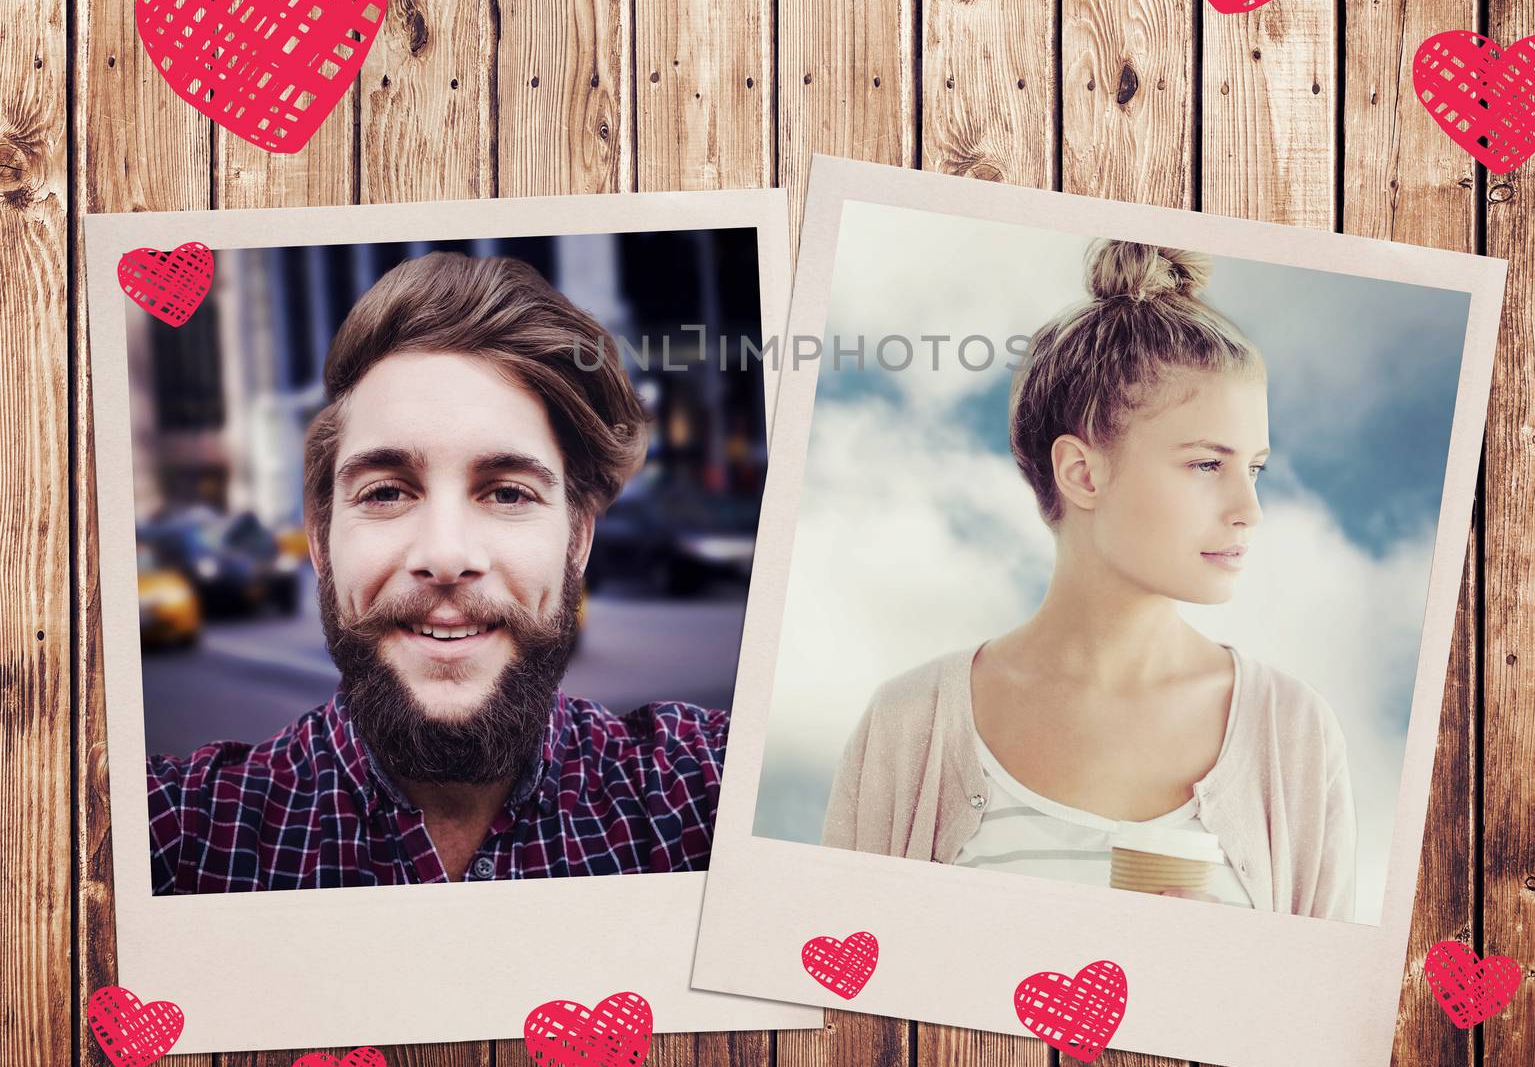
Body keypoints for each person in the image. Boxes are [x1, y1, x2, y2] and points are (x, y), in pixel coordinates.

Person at [147, 252, 727, 892]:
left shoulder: (707, 791)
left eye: (508, 493)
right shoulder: (175, 837)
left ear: (579, 538)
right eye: (386, 493)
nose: (447, 556)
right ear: (320, 539)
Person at [821, 239, 1357, 919]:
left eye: (1253, 468)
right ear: (1082, 473)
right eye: (1205, 465)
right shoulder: (910, 726)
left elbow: (1317, 1012)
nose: (1249, 511)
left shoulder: (1294, 735)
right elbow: (844, 1002)